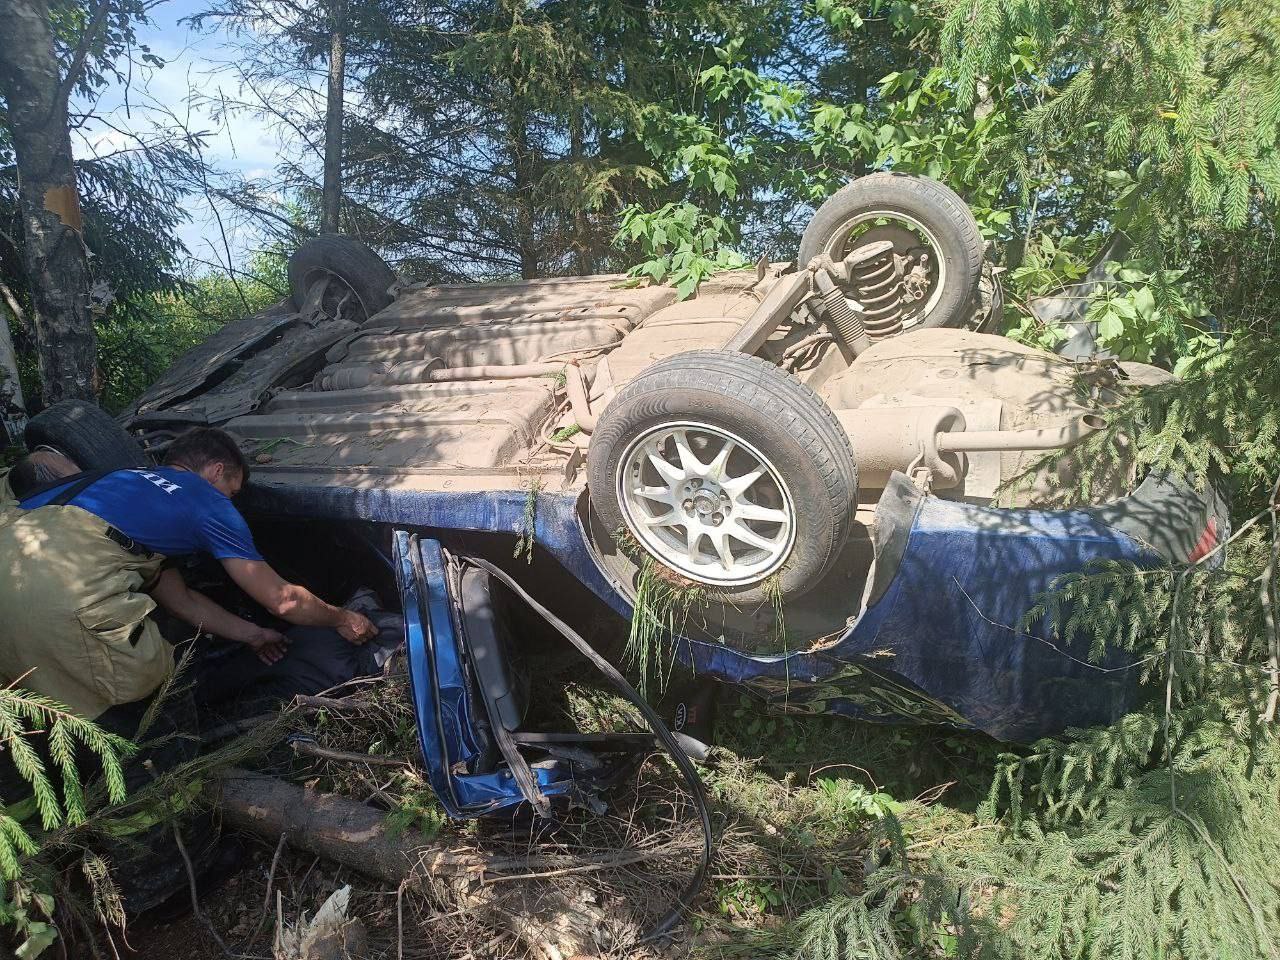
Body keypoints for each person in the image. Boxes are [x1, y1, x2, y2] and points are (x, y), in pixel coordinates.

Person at [0, 426, 376, 723]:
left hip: (12, 570)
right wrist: (343, 617)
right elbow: (284, 599)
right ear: (216, 471)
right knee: (150, 723)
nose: (230, 500)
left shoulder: (114, 482)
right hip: (61, 603)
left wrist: (254, 635)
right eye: (233, 490)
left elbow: (180, 599)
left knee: (42, 714)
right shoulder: (206, 502)